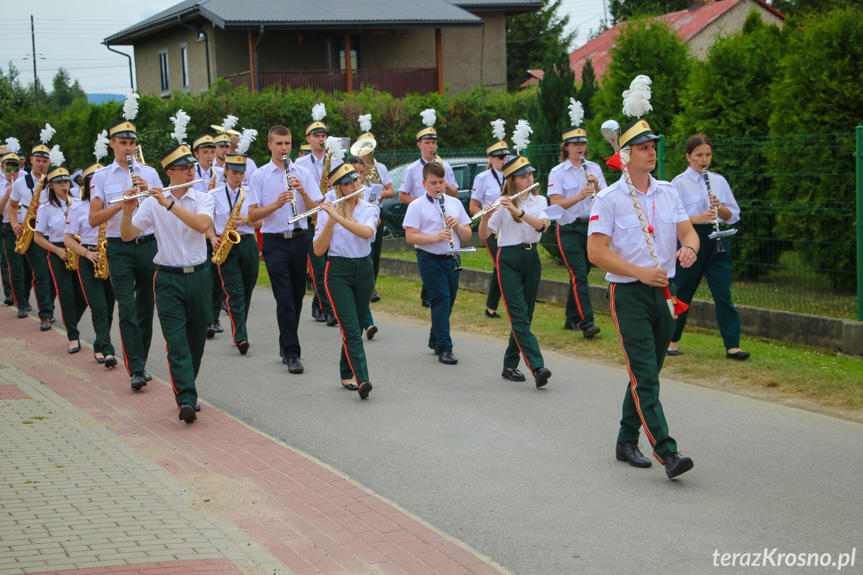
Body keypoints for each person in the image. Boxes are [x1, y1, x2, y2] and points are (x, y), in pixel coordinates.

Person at [587, 117, 699, 480]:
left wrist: (689, 249)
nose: (652, 152)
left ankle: (625, 439)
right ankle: (667, 451)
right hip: (629, 293)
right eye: (644, 147)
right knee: (645, 376)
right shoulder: (609, 198)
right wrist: (638, 272)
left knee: (647, 371)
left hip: (666, 292)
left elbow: (687, 232)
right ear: (625, 155)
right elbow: (595, 251)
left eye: (653, 146)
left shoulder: (668, 191)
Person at [120, 144, 215, 424]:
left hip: (198, 276)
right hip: (167, 278)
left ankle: (188, 386)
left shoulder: (203, 198)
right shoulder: (151, 202)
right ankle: (186, 397)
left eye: (191, 168)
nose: (190, 172)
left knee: (196, 340)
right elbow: (127, 236)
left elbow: (201, 226)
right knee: (176, 342)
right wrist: (127, 211)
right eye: (184, 169)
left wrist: (169, 204)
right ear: (170, 173)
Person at [89, 119, 163, 391]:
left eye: (132, 143)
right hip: (118, 247)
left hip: (147, 244)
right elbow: (94, 218)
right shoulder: (101, 176)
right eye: (123, 143)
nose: (128, 148)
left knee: (145, 308)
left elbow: (161, 208)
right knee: (127, 307)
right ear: (112, 144)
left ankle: (140, 363)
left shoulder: (150, 173)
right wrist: (122, 202)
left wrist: (147, 193)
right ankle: (135, 368)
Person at [247, 125, 322, 374]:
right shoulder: (259, 175)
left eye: (287, 143)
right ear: (270, 145)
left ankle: (285, 343)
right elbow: (253, 214)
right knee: (284, 298)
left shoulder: (303, 173)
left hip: (300, 239)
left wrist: (302, 191)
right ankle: (293, 353)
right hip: (274, 241)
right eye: (279, 144)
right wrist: (277, 204)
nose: (284, 148)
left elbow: (315, 212)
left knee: (297, 296)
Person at [668, 135, 748, 361]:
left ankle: (733, 345)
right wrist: (698, 218)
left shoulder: (719, 181)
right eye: (699, 155)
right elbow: (673, 216)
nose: (704, 160)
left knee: (723, 294)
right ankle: (671, 341)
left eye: (708, 155)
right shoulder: (678, 183)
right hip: (691, 238)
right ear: (688, 156)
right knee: (683, 291)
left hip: (717, 239)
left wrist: (719, 207)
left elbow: (733, 216)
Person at [479, 155, 552, 388]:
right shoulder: (502, 202)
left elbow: (541, 226)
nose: (529, 178)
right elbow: (484, 235)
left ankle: (510, 365)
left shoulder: (539, 200)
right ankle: (537, 367)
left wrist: (517, 210)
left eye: (530, 174)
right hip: (508, 258)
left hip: (532, 256)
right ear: (511, 180)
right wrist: (486, 216)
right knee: (518, 314)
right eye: (523, 176)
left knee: (525, 315)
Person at [313, 163, 378, 399]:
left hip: (363, 270)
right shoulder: (327, 211)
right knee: (351, 329)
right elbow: (318, 250)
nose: (355, 185)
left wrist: (339, 219)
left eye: (356, 181)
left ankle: (345, 371)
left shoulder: (370, 208)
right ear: (339, 189)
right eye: (349, 183)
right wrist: (330, 220)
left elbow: (366, 233)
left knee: (356, 325)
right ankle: (363, 380)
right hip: (338, 272)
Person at [403, 162, 472, 365]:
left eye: (441, 182)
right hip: (429, 257)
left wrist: (457, 225)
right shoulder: (416, 205)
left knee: (448, 302)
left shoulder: (454, 203)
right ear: (424, 183)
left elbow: (467, 235)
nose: (438, 187)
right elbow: (410, 236)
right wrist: (435, 237)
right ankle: (445, 347)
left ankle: (435, 337)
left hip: (452, 257)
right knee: (440, 300)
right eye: (433, 183)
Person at [548, 125, 607, 338]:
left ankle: (571, 318)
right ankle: (587, 322)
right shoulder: (558, 172)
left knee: (582, 274)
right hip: (569, 227)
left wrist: (597, 186)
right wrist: (580, 195)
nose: (579, 148)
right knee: (579, 274)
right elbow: (555, 203)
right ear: (566, 147)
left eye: (582, 144)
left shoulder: (594, 168)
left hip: (591, 226)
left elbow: (606, 197)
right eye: (575, 144)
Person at [398, 116, 459, 308]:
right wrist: (421, 204)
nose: (431, 147)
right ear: (419, 145)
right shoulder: (412, 169)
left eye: (434, 143)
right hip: (423, 217)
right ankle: (429, 294)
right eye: (427, 143)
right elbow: (402, 195)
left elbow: (455, 192)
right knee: (427, 253)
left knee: (441, 253)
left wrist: (445, 185)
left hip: (443, 213)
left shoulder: (445, 166)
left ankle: (431, 294)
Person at [65, 161, 118, 368]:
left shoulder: (113, 204)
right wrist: (87, 254)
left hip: (110, 256)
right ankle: (107, 350)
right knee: (98, 307)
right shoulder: (77, 207)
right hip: (88, 258)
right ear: (87, 184)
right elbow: (68, 239)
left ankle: (99, 344)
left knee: (110, 307)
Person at [208, 153, 260, 355]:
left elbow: (262, 222)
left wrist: (248, 219)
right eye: (234, 173)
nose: (238, 177)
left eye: (241, 173)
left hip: (247, 243)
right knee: (235, 291)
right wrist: (212, 237)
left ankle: (239, 326)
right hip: (225, 244)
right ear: (226, 172)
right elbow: (207, 222)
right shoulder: (213, 194)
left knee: (247, 289)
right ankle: (241, 336)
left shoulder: (250, 194)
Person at [33, 165, 87, 354]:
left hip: (78, 250)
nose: (65, 185)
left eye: (66, 181)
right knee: (66, 295)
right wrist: (56, 250)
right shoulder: (45, 209)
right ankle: (73, 335)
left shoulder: (78, 203)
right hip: (59, 253)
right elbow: (38, 237)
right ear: (51, 186)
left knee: (83, 296)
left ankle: (71, 321)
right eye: (60, 183)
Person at [295, 115, 340, 327]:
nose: (321, 139)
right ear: (308, 139)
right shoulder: (300, 163)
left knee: (330, 266)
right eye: (317, 136)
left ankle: (318, 305)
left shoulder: (337, 160)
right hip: (310, 221)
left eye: (323, 135)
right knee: (318, 268)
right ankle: (329, 309)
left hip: (331, 218)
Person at [7, 142, 56, 328]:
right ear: (31, 160)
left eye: (44, 161)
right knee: (41, 272)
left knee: (52, 274)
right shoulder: (20, 183)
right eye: (38, 160)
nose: (41, 164)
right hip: (33, 230)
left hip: (52, 231)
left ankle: (49, 306)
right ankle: (45, 314)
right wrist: (13, 223)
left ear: (49, 162)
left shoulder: (53, 181)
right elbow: (12, 206)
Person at [469, 140, 509, 319]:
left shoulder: (511, 175)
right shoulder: (483, 178)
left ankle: (491, 307)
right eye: (500, 157)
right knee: (500, 264)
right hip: (491, 229)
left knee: (502, 266)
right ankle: (497, 305)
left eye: (506, 156)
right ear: (491, 158)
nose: (504, 159)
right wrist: (485, 215)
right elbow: (473, 206)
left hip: (508, 226)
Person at [1, 151, 21, 306]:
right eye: (8, 169)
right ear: (3, 169)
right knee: (13, 265)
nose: (12, 172)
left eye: (15, 168)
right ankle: (15, 296)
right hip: (8, 226)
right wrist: (7, 196)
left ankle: (23, 295)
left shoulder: (25, 182)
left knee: (27, 267)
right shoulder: (1, 186)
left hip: (26, 226)